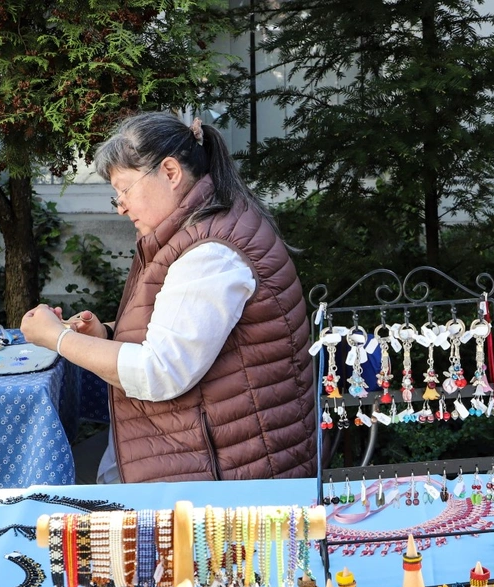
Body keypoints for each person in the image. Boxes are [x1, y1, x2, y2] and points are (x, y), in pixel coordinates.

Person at [20, 112, 316, 483]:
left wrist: (58, 339)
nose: (121, 206)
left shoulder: (212, 253)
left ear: (171, 172)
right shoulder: (197, 229)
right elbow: (183, 334)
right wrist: (108, 334)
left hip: (223, 483)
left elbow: (159, 371)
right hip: (201, 455)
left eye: (125, 189)